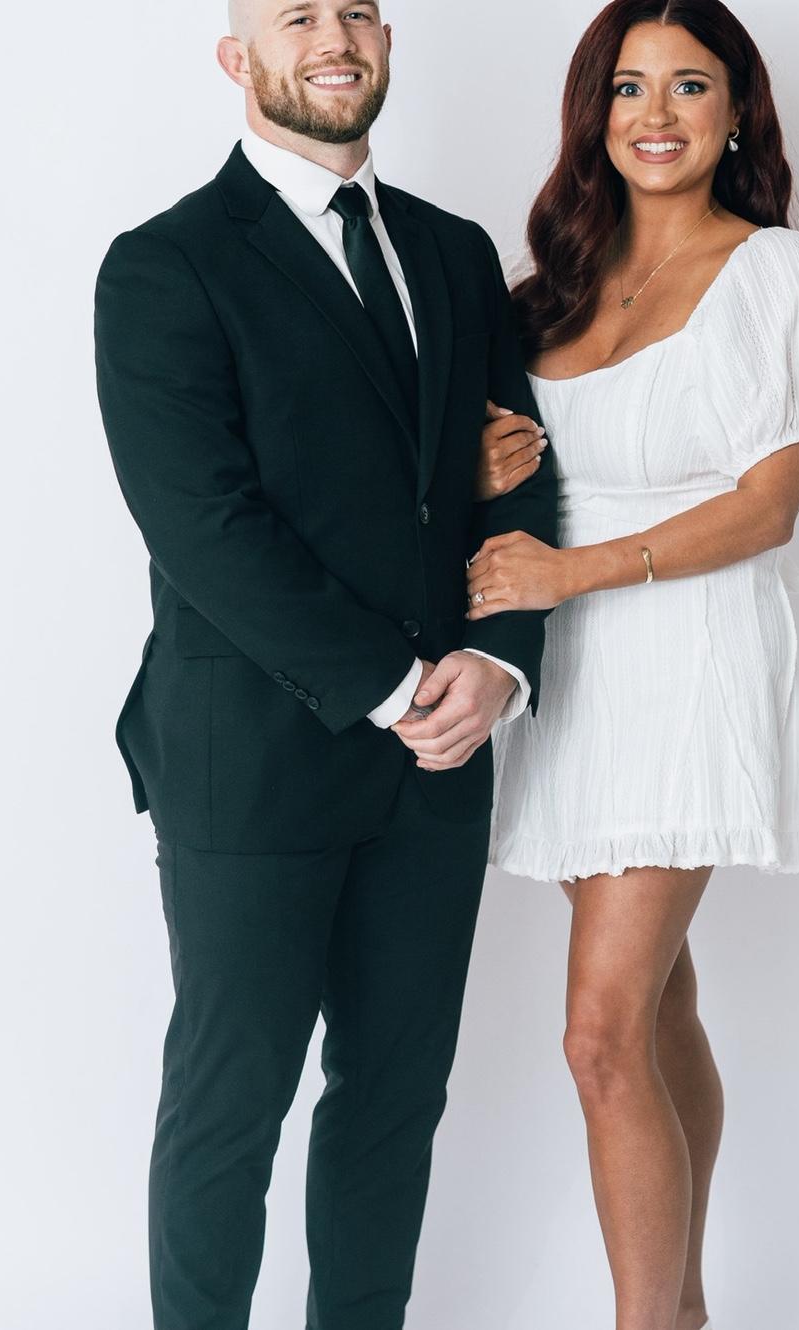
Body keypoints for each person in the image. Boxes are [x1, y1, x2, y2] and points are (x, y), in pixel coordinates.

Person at [92, 2, 558, 1326]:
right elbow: (202, 526)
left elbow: (521, 471)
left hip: (439, 758)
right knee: (229, 1103)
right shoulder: (165, 265)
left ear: (386, 41)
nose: (333, 34)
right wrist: (395, 685)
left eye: (355, 9)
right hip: (249, 756)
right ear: (239, 58)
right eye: (295, 14)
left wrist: (497, 659)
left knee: (394, 1098)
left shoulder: (453, 252)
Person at [467, 2, 799, 1328]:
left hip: (687, 659)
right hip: (571, 678)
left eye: (689, 86)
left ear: (736, 111)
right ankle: (682, 1310)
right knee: (655, 1003)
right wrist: (488, 476)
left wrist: (568, 571)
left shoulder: (772, 272)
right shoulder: (552, 290)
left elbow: (766, 507)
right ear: (596, 113)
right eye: (629, 87)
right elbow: (525, 485)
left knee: (598, 1031)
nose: (656, 114)